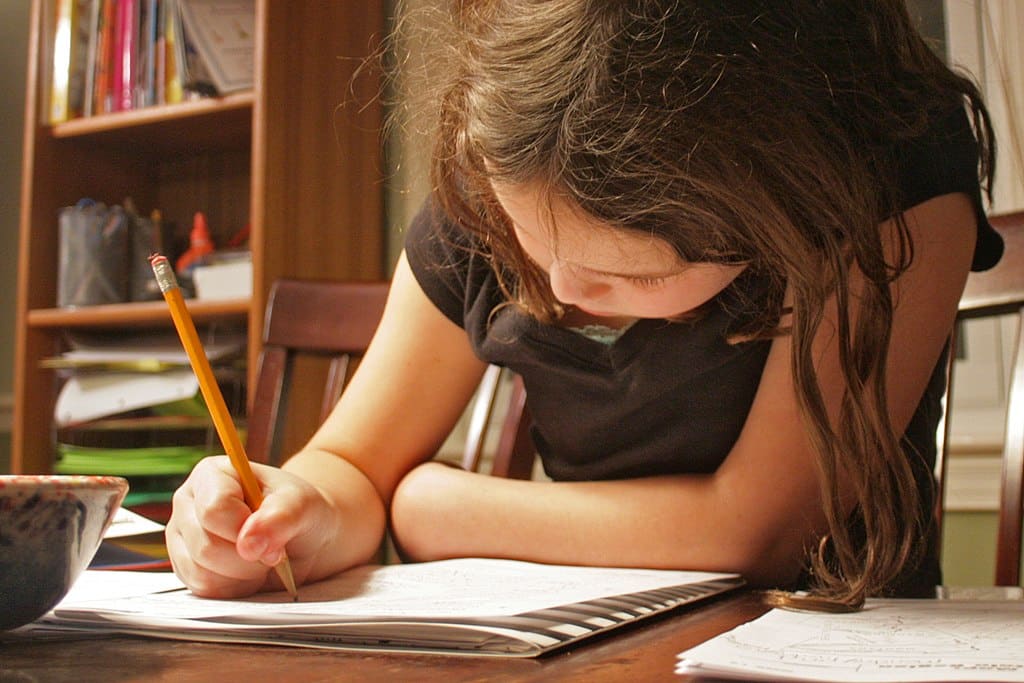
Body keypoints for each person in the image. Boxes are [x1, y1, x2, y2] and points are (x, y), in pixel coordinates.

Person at [166, 0, 1003, 610]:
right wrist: (288, 513)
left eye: (630, 275)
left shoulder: (888, 176)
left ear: (771, 204)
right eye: (534, 240)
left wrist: (433, 506)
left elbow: (757, 533)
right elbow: (351, 467)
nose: (562, 290)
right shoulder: (500, 182)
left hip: (822, 645)